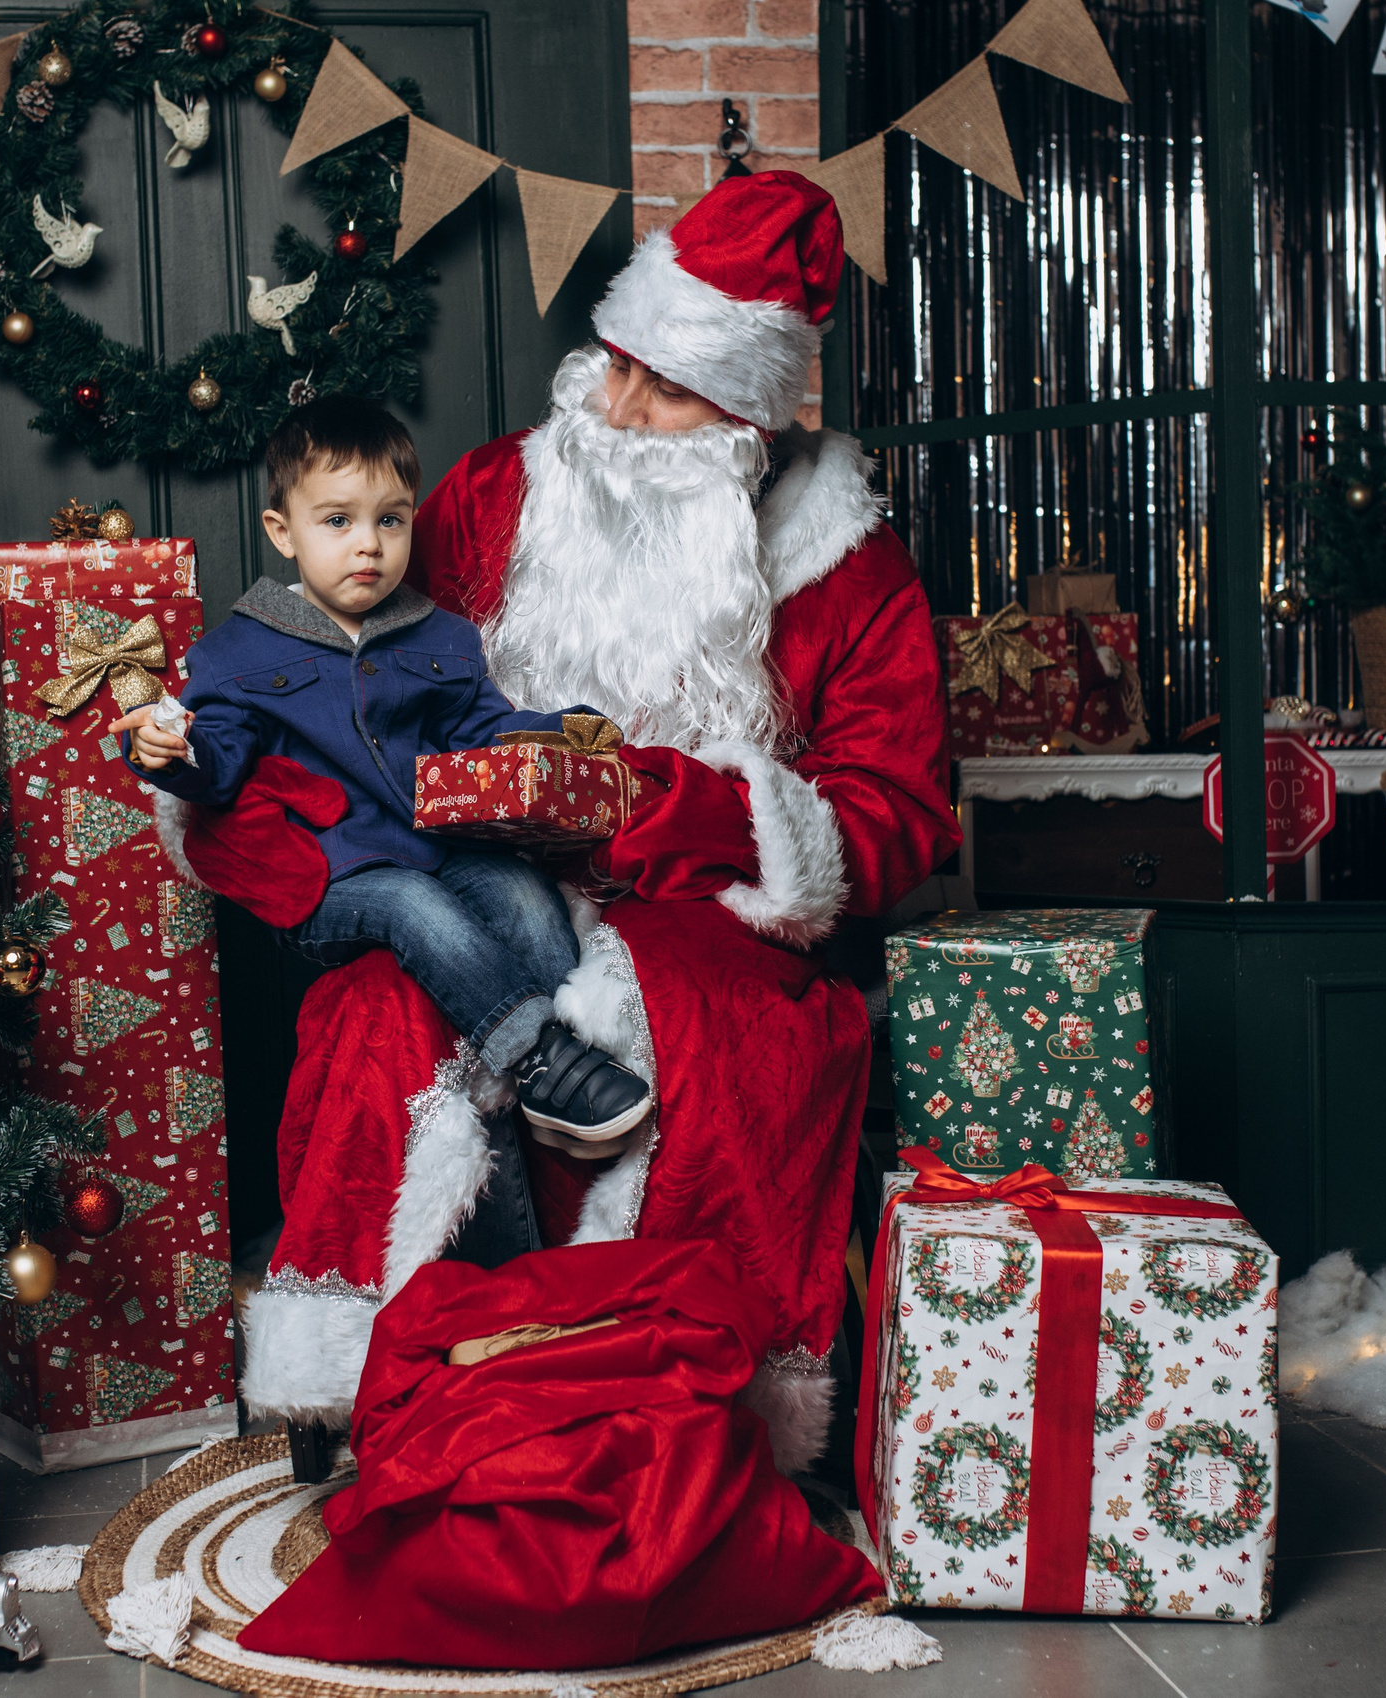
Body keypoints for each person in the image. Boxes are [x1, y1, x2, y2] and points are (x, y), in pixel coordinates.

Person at [168, 172, 957, 1473]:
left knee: (711, 1053)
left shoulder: (845, 565)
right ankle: (381, 1394)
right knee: (376, 1013)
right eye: (621, 362)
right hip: (476, 873)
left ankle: (661, 1411)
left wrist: (689, 801)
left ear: (754, 416)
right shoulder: (495, 492)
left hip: (713, 908)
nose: (623, 407)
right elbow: (350, 649)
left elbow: (900, 815)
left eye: (671, 388)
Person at [123, 395, 653, 1145]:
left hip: (441, 847)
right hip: (326, 879)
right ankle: (540, 1060)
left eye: (390, 520)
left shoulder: (443, 638)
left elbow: (482, 731)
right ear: (284, 532)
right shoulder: (239, 654)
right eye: (337, 522)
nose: (367, 544)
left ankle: (582, 1056)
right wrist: (171, 753)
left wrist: (556, 732)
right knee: (407, 903)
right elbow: (220, 759)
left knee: (524, 894)